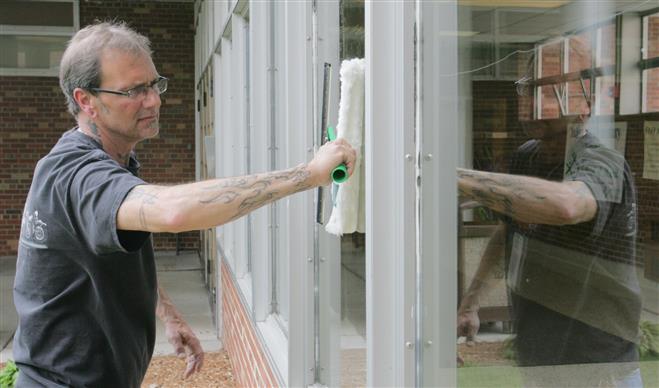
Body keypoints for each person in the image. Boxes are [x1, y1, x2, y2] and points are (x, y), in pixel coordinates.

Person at [13, 21, 356, 387]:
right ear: (87, 101)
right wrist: (308, 174)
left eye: (153, 84)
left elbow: (105, 253)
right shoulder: (78, 174)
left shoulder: (106, 163)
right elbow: (172, 210)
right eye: (134, 90)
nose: (154, 100)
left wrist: (167, 313)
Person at [457, 115, 643, 387]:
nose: (537, 114)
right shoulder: (527, 156)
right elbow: (510, 232)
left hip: (598, 365)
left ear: (582, 109)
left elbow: (567, 205)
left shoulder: (603, 162)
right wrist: (471, 303)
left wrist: (454, 175)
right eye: (530, 95)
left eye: (553, 134)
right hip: (540, 360)